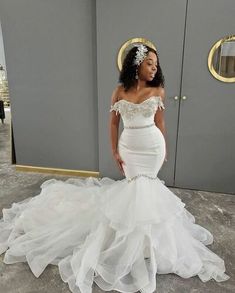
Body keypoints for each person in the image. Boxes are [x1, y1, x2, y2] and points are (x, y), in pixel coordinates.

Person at [0, 44, 230, 293]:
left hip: (152, 147)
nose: (154, 68)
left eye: (156, 64)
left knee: (149, 190)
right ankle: (131, 243)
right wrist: (114, 151)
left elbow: (160, 123)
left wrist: (164, 149)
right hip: (129, 146)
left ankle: (149, 244)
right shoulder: (119, 91)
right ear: (136, 63)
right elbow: (113, 124)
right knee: (135, 191)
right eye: (149, 63)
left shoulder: (159, 91)